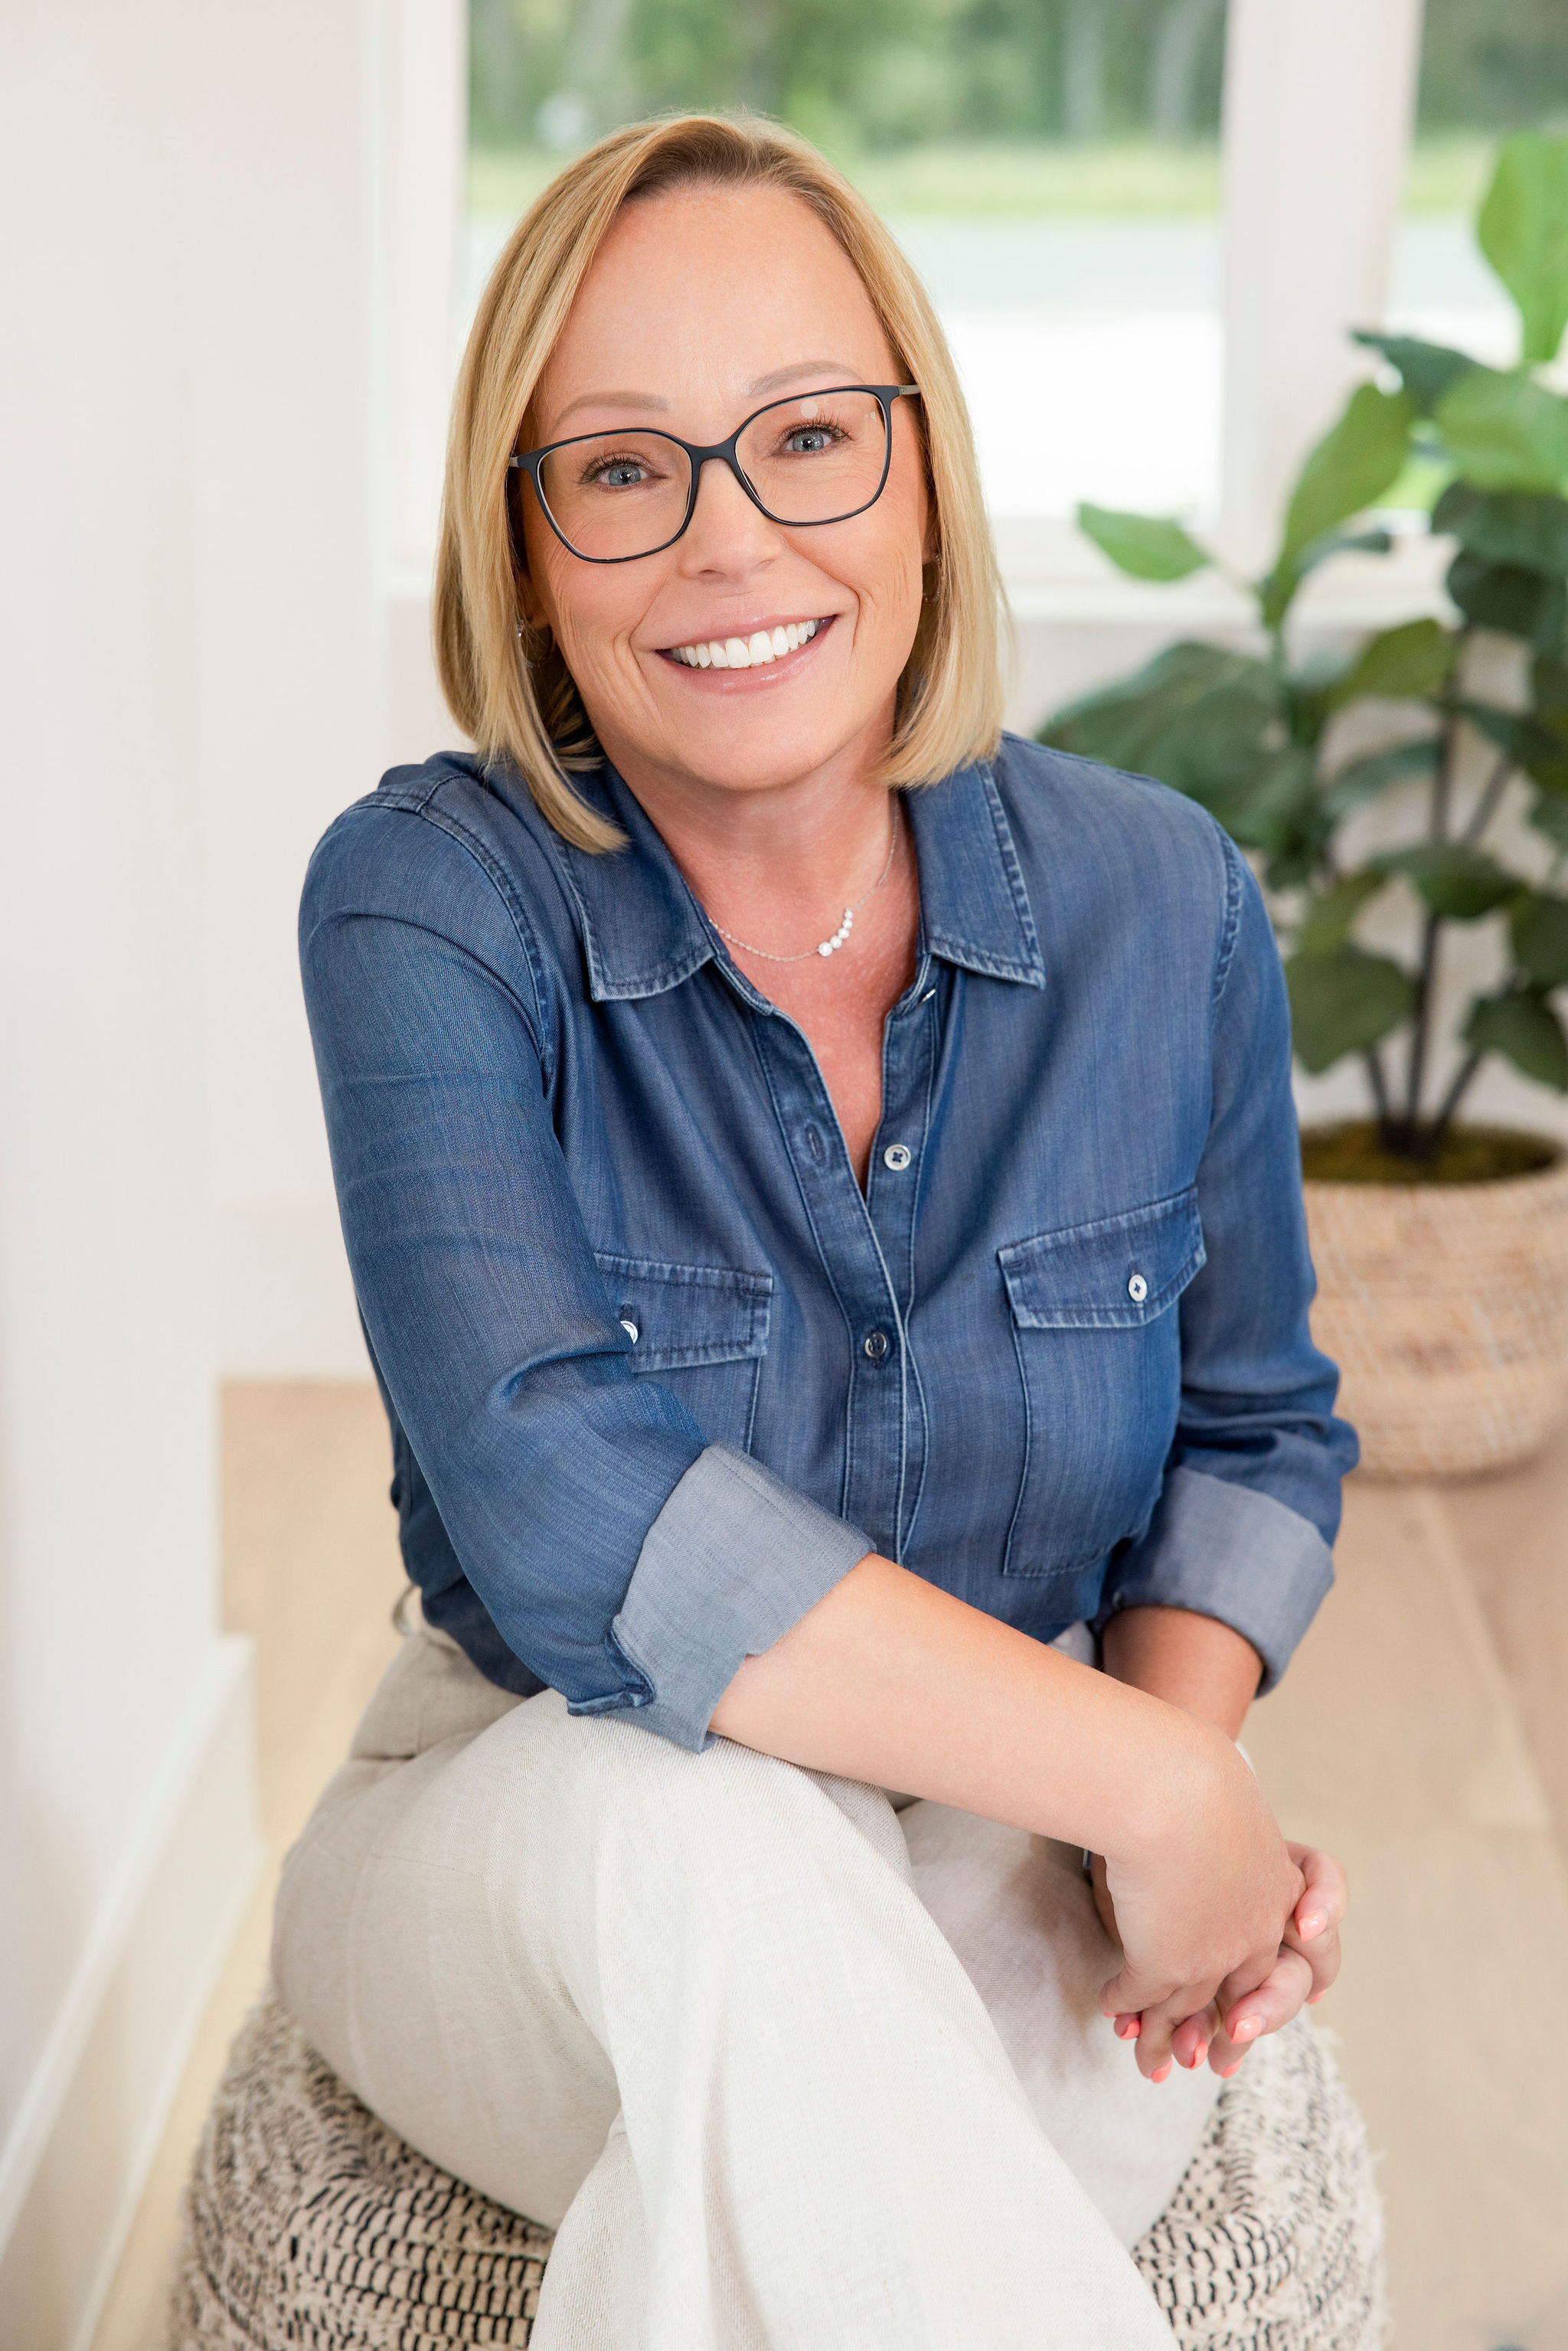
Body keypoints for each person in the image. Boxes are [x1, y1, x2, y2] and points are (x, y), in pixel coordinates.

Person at [276, 112, 1357, 2350]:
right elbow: (567, 1509)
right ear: (525, 549)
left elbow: (1252, 1431)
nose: (729, 538)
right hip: (543, 1825)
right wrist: (1162, 1786)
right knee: (733, 1859)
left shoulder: (1164, 899)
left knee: (832, 2191)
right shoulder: (425, 905)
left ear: (923, 471)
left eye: (806, 437)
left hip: (999, 1835)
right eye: (622, 467)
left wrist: (1137, 1783)